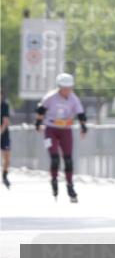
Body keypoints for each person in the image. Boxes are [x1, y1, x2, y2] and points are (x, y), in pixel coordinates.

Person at [35, 73, 87, 202]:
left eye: (70, 88)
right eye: (65, 88)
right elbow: (41, 110)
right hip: (50, 129)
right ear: (59, 87)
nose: (67, 91)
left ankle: (70, 186)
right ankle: (54, 180)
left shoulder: (74, 99)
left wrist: (83, 127)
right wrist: (38, 123)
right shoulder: (51, 97)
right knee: (55, 159)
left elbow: (80, 114)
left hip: (65, 130)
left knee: (68, 159)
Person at [1, 86, 10, 188]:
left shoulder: (4, 106)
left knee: (7, 158)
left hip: (4, 134)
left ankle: (4, 175)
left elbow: (5, 122)